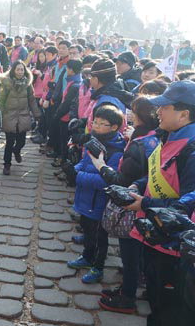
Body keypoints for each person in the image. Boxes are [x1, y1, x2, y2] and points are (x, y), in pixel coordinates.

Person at [126, 80, 195, 326]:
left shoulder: (191, 149)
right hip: (155, 234)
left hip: (172, 246)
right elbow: (163, 171)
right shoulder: (169, 136)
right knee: (155, 299)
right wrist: (139, 184)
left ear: (184, 114)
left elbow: (187, 204)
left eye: (165, 107)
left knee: (166, 311)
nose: (158, 112)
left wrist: (145, 203)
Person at [89, 97, 160, 313]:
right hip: (145, 201)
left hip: (134, 205)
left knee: (130, 254)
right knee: (134, 255)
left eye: (133, 111)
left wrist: (101, 166)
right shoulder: (151, 138)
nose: (129, 113)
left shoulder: (140, 144)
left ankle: (127, 297)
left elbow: (121, 181)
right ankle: (128, 288)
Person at [67, 105, 126, 283]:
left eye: (102, 124)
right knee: (87, 230)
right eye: (95, 122)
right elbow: (85, 163)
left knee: (100, 237)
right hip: (85, 197)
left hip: (99, 202)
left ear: (114, 127)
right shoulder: (94, 140)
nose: (96, 126)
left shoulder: (116, 150)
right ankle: (87, 256)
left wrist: (78, 175)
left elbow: (106, 180)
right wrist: (74, 168)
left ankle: (98, 267)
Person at [0, 60, 41, 175]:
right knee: (9, 142)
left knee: (21, 141)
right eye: (17, 69)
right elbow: (2, 100)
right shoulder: (7, 84)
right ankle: (7, 164)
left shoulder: (28, 85)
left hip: (23, 116)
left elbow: (32, 100)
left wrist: (37, 114)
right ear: (13, 70)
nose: (20, 72)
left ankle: (17, 150)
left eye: (22, 69)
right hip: (10, 116)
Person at [52, 59, 83, 166]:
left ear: (71, 70)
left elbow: (66, 103)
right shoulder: (74, 82)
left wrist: (56, 115)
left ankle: (63, 162)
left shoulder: (74, 85)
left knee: (64, 141)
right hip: (66, 117)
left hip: (66, 118)